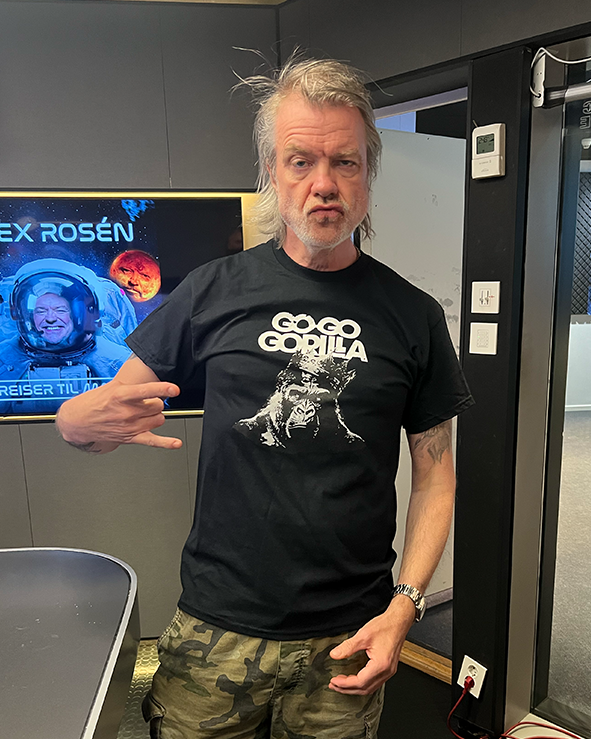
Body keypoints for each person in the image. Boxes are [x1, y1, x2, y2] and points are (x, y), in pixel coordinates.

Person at [56, 57, 474, 739]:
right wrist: (74, 421)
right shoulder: (212, 290)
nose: (323, 184)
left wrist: (405, 606)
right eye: (300, 161)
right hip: (216, 627)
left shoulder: (413, 315)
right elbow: (104, 417)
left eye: (344, 162)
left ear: (367, 172)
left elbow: (435, 477)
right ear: (271, 173)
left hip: (350, 631)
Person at [0, 259, 133, 415]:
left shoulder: (119, 365)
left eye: (60, 310)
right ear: (25, 315)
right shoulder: (4, 361)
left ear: (80, 313)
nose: (50, 318)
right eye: (41, 311)